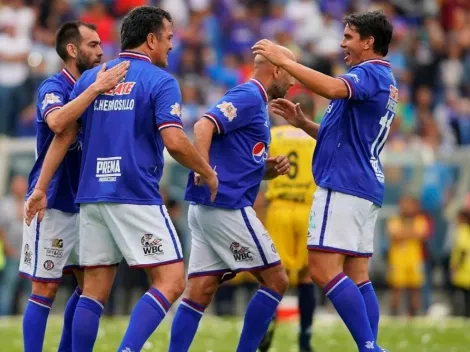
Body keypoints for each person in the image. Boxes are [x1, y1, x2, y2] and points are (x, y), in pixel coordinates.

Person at [24, 6, 217, 352]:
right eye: (169, 38)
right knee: (171, 281)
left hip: (91, 197)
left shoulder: (92, 79)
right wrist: (206, 169)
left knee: (93, 291)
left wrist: (40, 188)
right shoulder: (160, 81)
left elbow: (64, 136)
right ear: (151, 39)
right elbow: (174, 141)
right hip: (133, 192)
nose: (172, 46)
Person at [253, 10, 395, 352]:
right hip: (364, 184)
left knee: (320, 269)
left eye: (348, 37)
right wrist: (305, 125)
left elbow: (332, 88)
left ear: (368, 41)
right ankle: (370, 345)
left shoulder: (368, 73)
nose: (343, 44)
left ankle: (368, 346)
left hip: (343, 184)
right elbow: (347, 137)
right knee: (358, 275)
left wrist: (283, 62)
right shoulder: (381, 80)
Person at [168, 46, 294, 352]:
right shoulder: (250, 96)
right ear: (276, 69)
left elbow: (239, 162)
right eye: (290, 73)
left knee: (200, 290)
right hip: (225, 205)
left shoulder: (258, 106)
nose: (292, 83)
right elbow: (203, 124)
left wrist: (266, 170)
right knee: (277, 281)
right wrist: (205, 168)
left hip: (206, 207)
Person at [18, 21, 128, 352]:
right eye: (93, 45)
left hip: (89, 203)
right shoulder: (54, 86)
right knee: (45, 289)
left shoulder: (99, 86)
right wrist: (95, 89)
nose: (100, 51)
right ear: (72, 49)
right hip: (53, 201)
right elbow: (57, 122)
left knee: (89, 288)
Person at [260, 92, 318, 352]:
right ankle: (305, 341)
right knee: (306, 277)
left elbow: (262, 168)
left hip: (280, 207)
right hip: (307, 209)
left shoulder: (275, 136)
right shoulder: (317, 138)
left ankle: (266, 327)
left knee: (273, 275)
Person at [386, 195, 428, 316]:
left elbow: (421, 235)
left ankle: (414, 315)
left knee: (415, 288)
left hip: (415, 260)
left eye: (409, 204)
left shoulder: (420, 219)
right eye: (404, 204)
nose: (406, 207)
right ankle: (394, 315)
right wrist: (411, 234)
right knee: (396, 288)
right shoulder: (394, 219)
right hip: (397, 260)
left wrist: (403, 234)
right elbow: (394, 236)